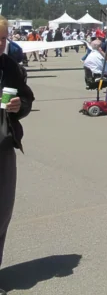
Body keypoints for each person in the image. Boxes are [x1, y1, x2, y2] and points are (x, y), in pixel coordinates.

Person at [1, 16, 35, 290]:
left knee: (2, 213)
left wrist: (19, 105)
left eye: (2, 39)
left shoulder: (11, 67)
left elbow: (27, 98)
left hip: (3, 147)